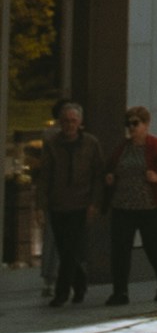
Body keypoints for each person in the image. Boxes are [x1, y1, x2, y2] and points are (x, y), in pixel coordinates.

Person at [102, 105, 157, 313]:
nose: (131, 128)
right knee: (120, 250)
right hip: (123, 207)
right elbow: (112, 168)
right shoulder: (122, 148)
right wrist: (110, 178)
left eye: (135, 123)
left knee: (154, 247)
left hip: (149, 208)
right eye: (128, 124)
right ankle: (120, 292)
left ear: (146, 124)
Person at [33, 97, 104, 308]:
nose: (69, 125)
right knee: (65, 250)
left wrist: (95, 203)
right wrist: (40, 206)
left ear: (80, 122)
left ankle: (61, 293)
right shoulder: (53, 144)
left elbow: (98, 175)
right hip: (58, 205)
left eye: (73, 121)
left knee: (72, 249)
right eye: (65, 121)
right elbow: (44, 177)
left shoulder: (91, 143)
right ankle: (81, 282)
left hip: (81, 205)